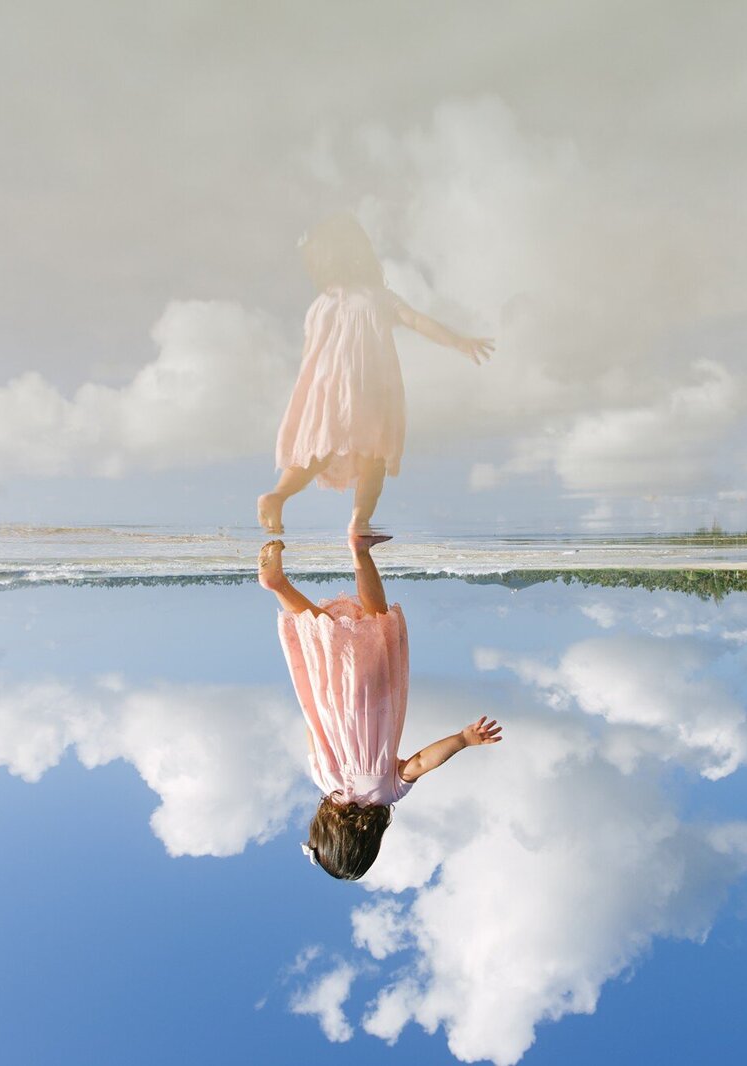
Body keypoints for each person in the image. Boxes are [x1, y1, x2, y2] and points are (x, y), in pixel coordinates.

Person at [258, 534, 503, 881]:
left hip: (376, 695)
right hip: (331, 698)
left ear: (370, 839)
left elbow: (420, 762)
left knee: (378, 619)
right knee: (321, 631)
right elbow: (312, 729)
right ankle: (280, 584)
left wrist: (463, 739)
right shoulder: (324, 781)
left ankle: (359, 551)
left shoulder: (388, 792)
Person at [259, 212, 493, 535]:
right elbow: (417, 321)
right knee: (375, 458)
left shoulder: (320, 305)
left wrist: (307, 402)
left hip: (328, 391)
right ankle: (360, 523)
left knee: (320, 452)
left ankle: (277, 496)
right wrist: (460, 342)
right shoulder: (379, 298)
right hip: (370, 389)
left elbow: (307, 358)